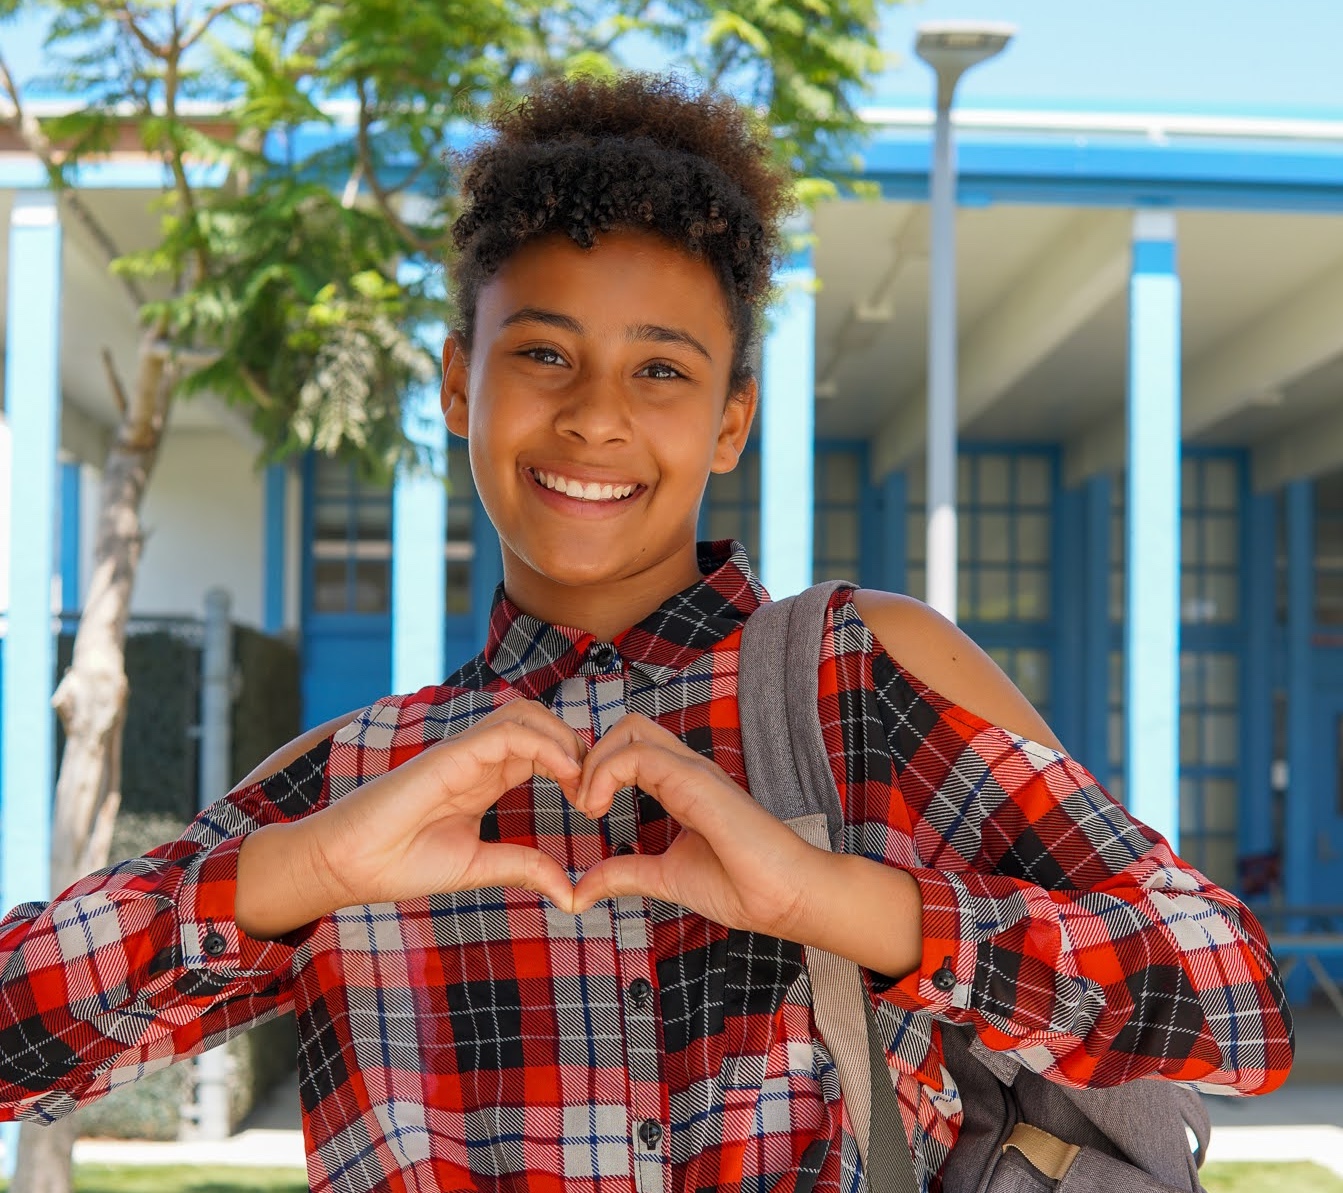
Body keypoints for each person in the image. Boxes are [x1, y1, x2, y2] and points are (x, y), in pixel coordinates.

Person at [0, 74, 1292, 1193]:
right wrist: (300, 877)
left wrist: (849, 906)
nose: (596, 418)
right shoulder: (360, 782)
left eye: (662, 370)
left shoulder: (856, 680)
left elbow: (1232, 997)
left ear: (732, 420)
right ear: (460, 383)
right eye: (544, 355)